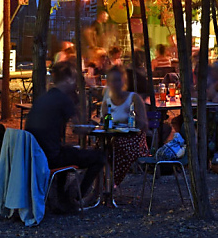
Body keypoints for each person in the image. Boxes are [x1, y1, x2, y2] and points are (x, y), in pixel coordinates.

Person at [25, 62, 103, 199]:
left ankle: (60, 197)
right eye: (74, 79)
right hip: (51, 157)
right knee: (99, 157)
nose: (76, 84)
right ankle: (76, 197)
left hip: (34, 154)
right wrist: (81, 102)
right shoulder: (63, 99)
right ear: (68, 79)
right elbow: (80, 128)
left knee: (68, 151)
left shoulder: (44, 97)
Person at [100, 66, 149, 186]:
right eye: (112, 81)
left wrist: (132, 118)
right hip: (112, 138)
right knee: (100, 150)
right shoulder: (107, 103)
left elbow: (144, 125)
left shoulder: (133, 98)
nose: (115, 84)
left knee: (116, 147)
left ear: (123, 81)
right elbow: (103, 124)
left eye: (117, 80)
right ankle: (99, 189)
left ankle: (111, 185)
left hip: (134, 140)